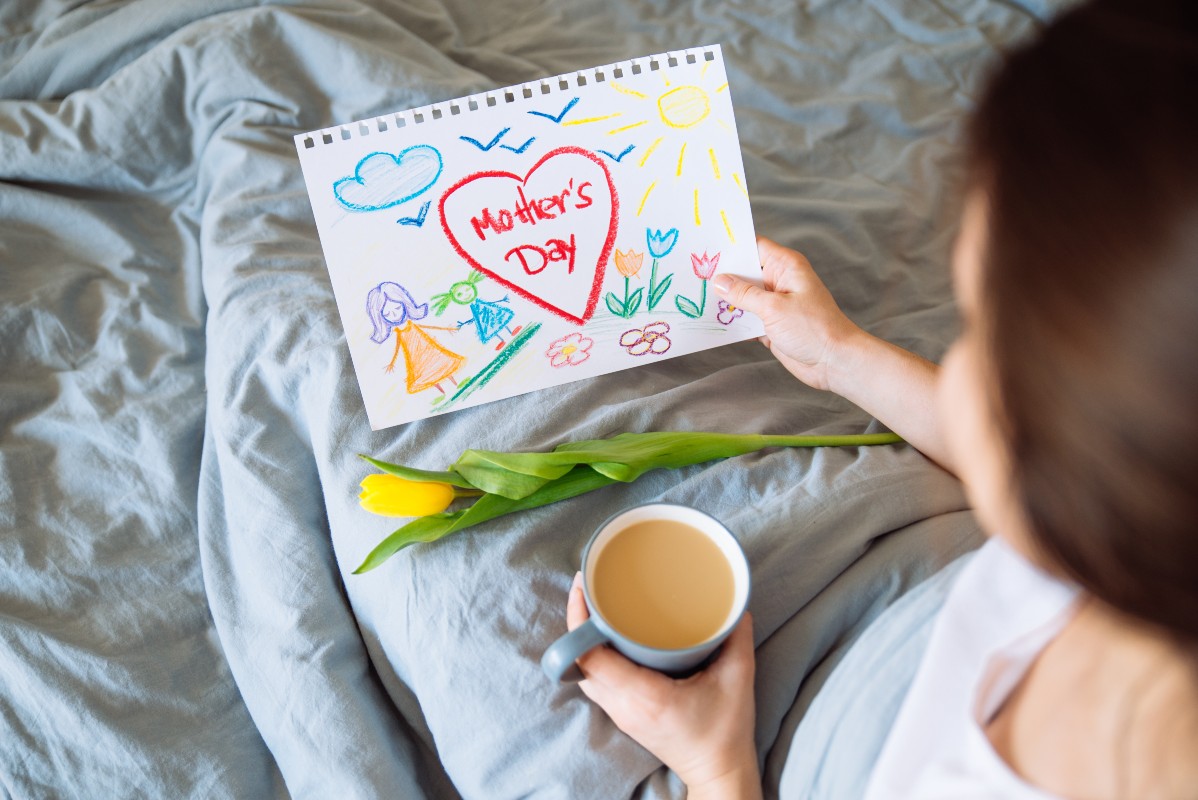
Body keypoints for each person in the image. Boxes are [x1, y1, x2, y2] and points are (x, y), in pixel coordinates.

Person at [562, 1, 1198, 797]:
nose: (956, 360)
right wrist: (841, 357)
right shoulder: (1146, 547)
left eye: (979, 331)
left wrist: (716, 765)